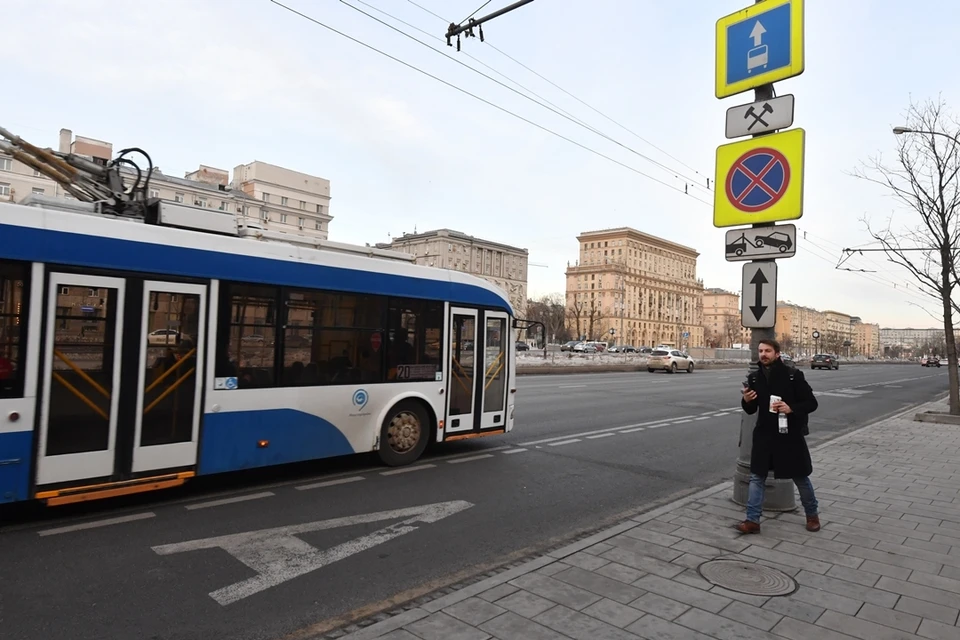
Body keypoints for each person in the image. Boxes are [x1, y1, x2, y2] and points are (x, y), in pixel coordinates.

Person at [736, 338, 821, 534]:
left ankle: (812, 515)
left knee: (800, 477)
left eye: (767, 351)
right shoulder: (755, 378)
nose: (763, 354)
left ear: (777, 353)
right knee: (757, 478)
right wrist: (746, 400)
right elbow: (750, 409)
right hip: (764, 436)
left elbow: (811, 403)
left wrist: (791, 408)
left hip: (789, 436)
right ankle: (752, 521)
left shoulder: (793, 376)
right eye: (760, 351)